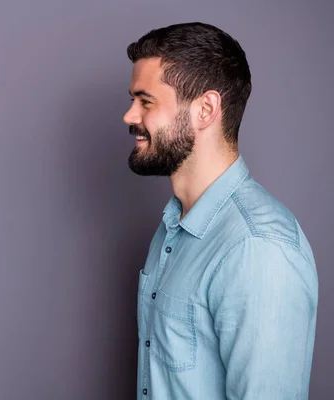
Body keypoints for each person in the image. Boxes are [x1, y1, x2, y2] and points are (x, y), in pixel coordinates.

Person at [124, 22, 318, 399]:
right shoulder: (171, 228)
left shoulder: (258, 248)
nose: (130, 116)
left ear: (205, 109)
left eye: (145, 101)